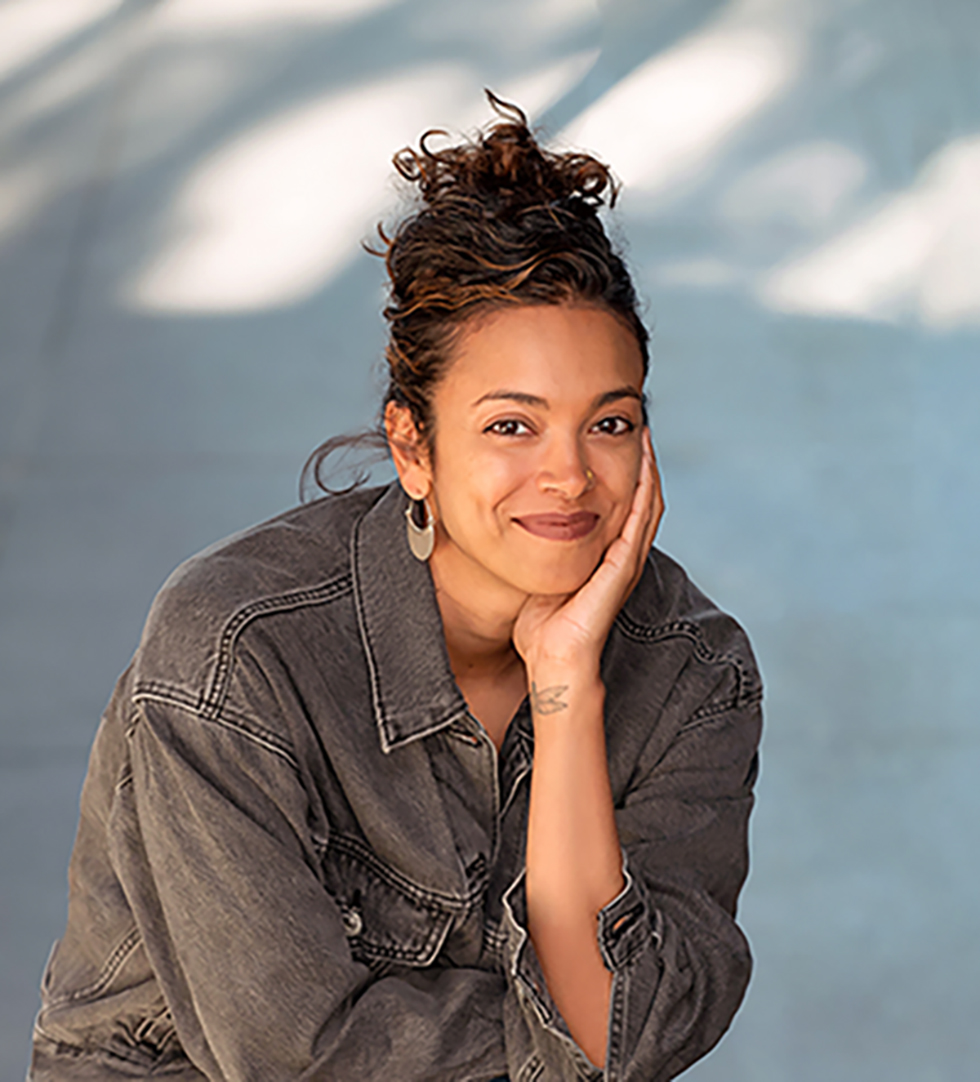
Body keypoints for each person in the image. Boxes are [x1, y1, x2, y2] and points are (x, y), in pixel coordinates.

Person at [30, 97, 762, 1082]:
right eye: (511, 425)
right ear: (412, 446)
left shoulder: (693, 672)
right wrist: (570, 1036)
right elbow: (297, 1055)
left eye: (609, 422)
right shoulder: (237, 649)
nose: (569, 475)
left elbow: (646, 1019)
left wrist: (565, 684)